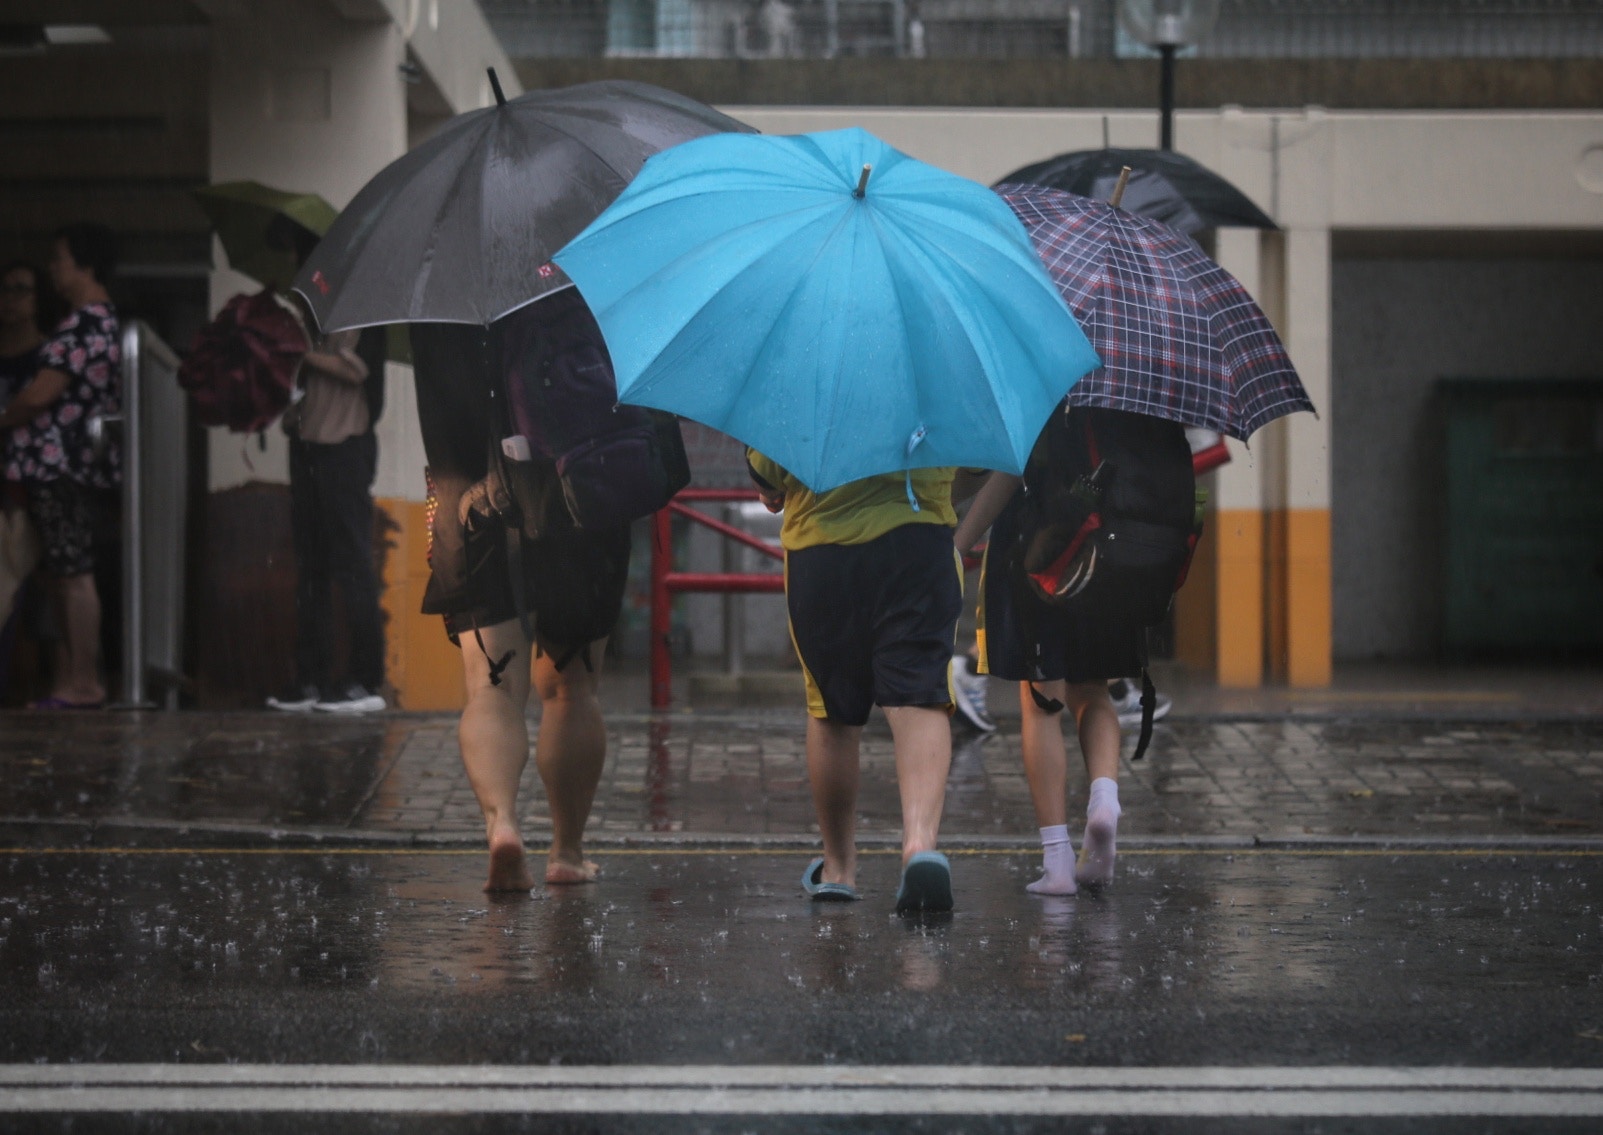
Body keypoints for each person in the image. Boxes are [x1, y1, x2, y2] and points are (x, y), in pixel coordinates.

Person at [408, 293, 631, 893]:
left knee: (489, 688)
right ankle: (568, 851)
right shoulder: (579, 274)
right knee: (571, 687)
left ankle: (503, 825)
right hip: (575, 498)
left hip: (468, 503)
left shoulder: (433, 290)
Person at [955, 406, 1193, 895]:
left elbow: (1007, 472)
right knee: (1094, 692)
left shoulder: (1044, 378)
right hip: (1114, 551)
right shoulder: (1136, 383)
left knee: (1041, 701)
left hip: (1043, 549)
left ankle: (1057, 861)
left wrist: (959, 543)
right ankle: (1104, 801)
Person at [749, 454, 963, 913]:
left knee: (833, 714)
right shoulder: (944, 377)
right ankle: (920, 846)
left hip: (823, 549)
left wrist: (767, 484)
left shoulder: (804, 377)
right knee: (918, 699)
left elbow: (770, 466)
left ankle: (839, 867)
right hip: (919, 539)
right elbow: (975, 460)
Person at [266, 229, 387, 714]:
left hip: (345, 446)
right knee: (310, 568)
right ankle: (311, 678)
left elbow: (356, 369)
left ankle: (364, 680)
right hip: (308, 445)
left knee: (352, 563)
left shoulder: (363, 307)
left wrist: (300, 352)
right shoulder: (310, 317)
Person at [0, 226, 121, 710]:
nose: (54, 269)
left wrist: (6, 419)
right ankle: (74, 678)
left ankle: (83, 682)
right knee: (61, 573)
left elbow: (41, 395)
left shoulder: (88, 324)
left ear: (85, 266)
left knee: (72, 573)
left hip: (59, 464)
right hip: (56, 465)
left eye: (60, 260)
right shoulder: (88, 321)